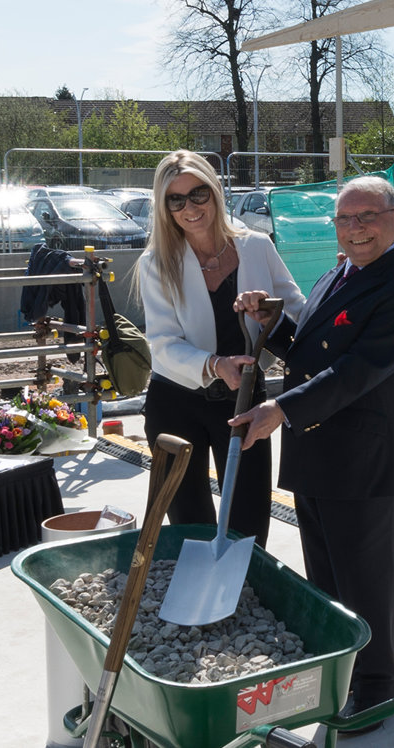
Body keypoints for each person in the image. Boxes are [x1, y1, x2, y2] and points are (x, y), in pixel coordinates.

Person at [231, 176, 394, 732]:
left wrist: (280, 410)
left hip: (363, 463)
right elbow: (309, 354)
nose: (355, 228)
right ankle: (339, 677)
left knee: (365, 583)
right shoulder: (337, 271)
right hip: (317, 453)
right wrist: (271, 325)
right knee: (326, 583)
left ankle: (377, 687)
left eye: (367, 216)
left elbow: (356, 372)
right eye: (345, 219)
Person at [136, 150, 303, 546]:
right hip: (176, 403)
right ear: (165, 207)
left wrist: (270, 314)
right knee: (189, 522)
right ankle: (201, 603)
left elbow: (299, 315)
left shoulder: (257, 246)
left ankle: (243, 598)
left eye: (198, 194)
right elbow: (161, 345)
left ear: (215, 191)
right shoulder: (157, 263)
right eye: (176, 200)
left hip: (245, 401)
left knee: (247, 521)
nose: (190, 207)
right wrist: (213, 364)